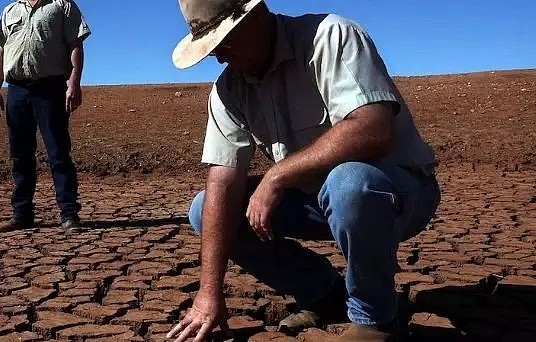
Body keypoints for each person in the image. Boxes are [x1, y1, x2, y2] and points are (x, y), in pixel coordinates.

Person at [166, 1, 440, 341]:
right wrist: (208, 293)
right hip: (316, 200)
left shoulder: (330, 36)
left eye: (226, 41)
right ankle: (324, 294)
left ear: (256, 16)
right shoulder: (229, 90)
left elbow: (375, 127)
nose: (220, 56)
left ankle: (375, 320)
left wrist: (278, 174)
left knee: (350, 184)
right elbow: (223, 180)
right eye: (213, 49)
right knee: (204, 209)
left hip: (395, 190)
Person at [0, 0, 91, 232]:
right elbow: (1, 51)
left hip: (50, 88)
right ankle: (22, 214)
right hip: (16, 89)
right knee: (20, 155)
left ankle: (69, 214)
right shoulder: (10, 10)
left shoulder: (62, 5)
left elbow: (75, 44)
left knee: (58, 153)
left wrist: (74, 83)